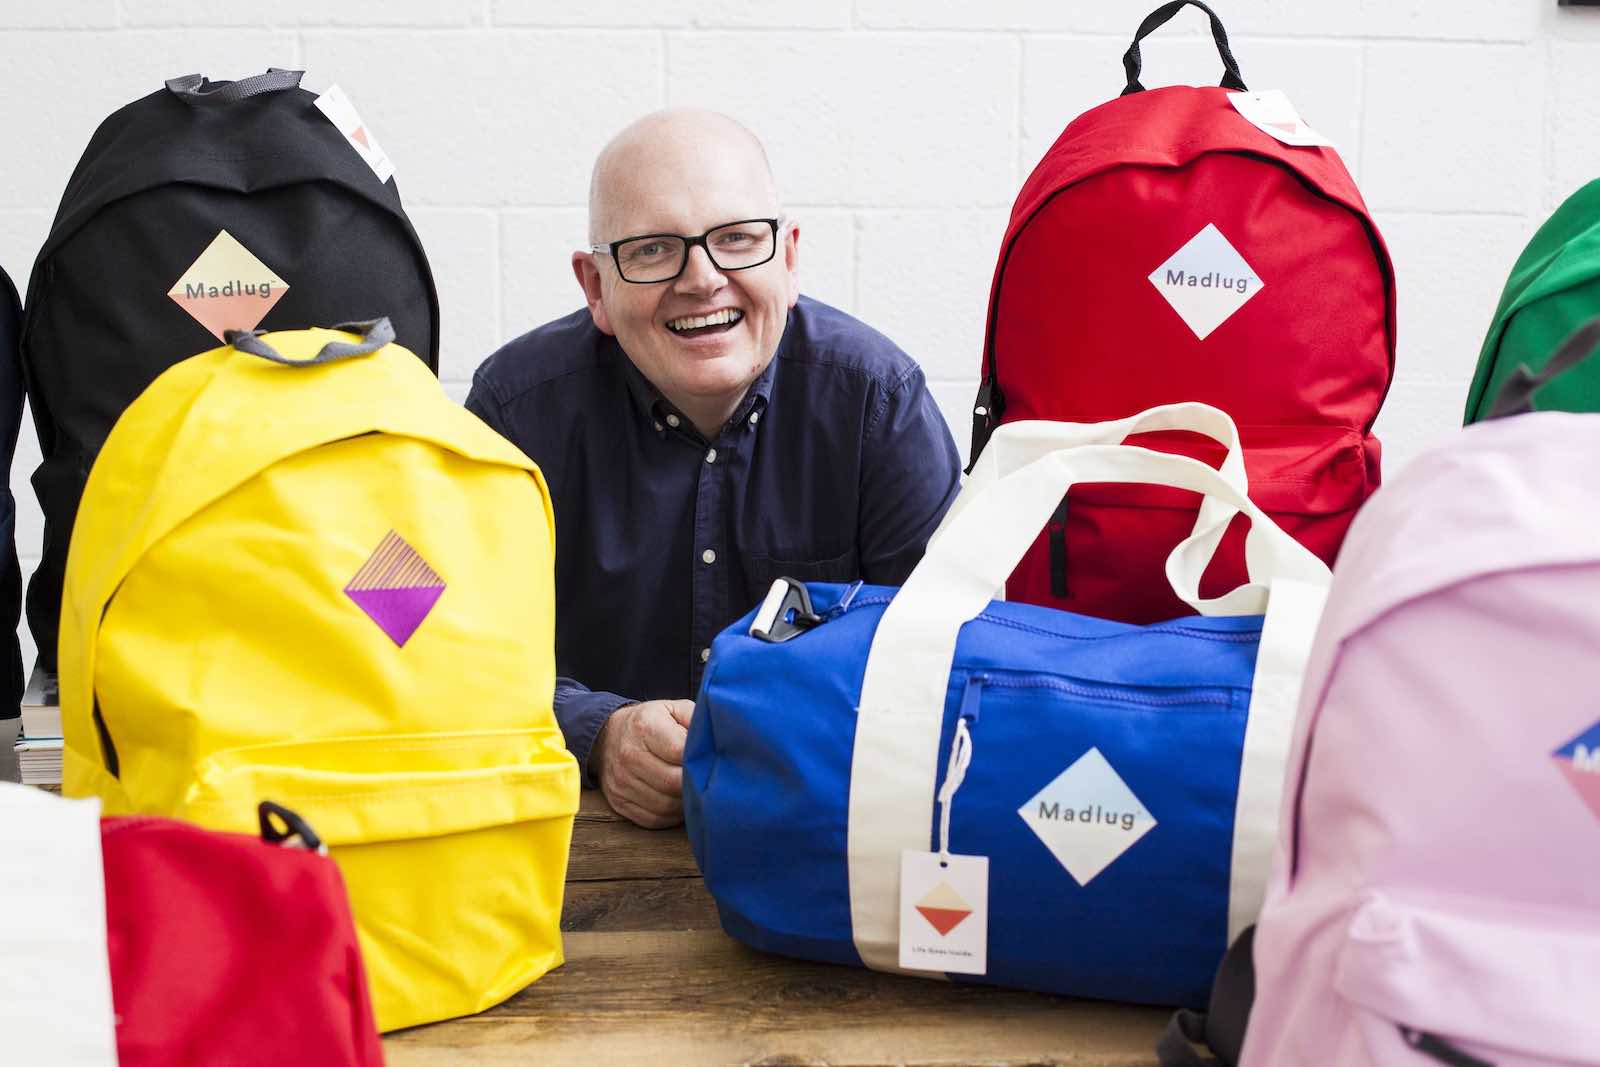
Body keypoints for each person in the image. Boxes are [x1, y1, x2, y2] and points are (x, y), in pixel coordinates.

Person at [467, 109, 962, 828]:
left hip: (820, 829)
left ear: (788, 258)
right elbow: (458, 658)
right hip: (580, 837)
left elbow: (945, 657)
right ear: (595, 286)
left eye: (736, 239)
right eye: (652, 249)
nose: (702, 280)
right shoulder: (515, 413)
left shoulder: (877, 403)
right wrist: (597, 733)